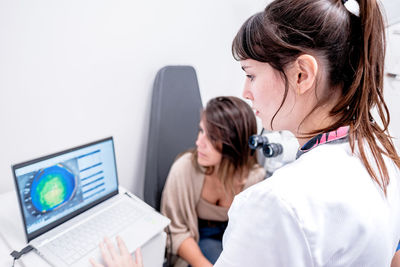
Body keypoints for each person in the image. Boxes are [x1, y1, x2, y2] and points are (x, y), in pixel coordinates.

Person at [91, 0, 400, 266]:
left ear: (302, 75)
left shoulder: (278, 202)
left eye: (251, 75)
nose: (246, 92)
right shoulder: (384, 159)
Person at [160, 96, 265, 267]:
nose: (198, 142)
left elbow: (254, 236)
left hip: (234, 238)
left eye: (211, 137)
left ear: (233, 144)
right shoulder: (184, 169)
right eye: (201, 131)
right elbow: (175, 230)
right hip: (199, 235)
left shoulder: (254, 178)